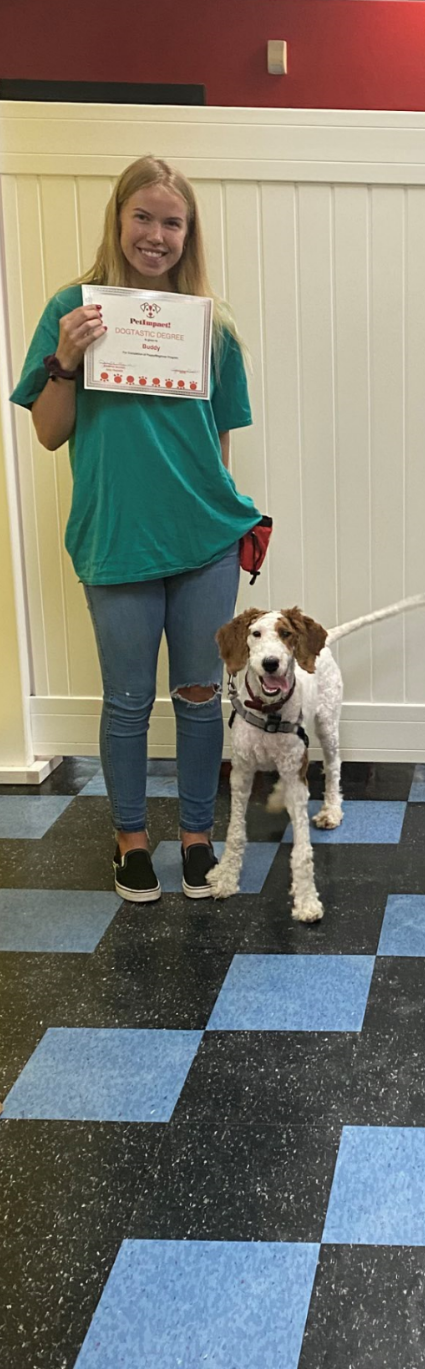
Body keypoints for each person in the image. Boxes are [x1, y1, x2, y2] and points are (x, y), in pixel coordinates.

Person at [10, 156, 261, 904]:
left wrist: (219, 515)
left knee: (196, 694)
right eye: (143, 217)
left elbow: (217, 446)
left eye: (172, 222)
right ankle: (128, 839)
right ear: (119, 219)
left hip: (203, 542)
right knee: (125, 699)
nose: (156, 235)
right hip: (116, 537)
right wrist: (65, 359)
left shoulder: (214, 329)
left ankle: (194, 836)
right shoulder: (71, 311)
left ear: (189, 233)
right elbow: (50, 435)